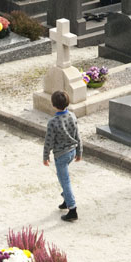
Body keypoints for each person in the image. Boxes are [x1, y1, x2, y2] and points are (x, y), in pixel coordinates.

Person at [43, 89, 82, 222]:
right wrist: (79, 152)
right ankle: (66, 200)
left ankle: (72, 209)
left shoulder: (53, 122)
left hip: (60, 155)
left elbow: (49, 141)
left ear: (53, 105)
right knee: (62, 178)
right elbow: (78, 135)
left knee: (65, 181)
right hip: (72, 151)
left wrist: (45, 156)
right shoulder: (72, 116)